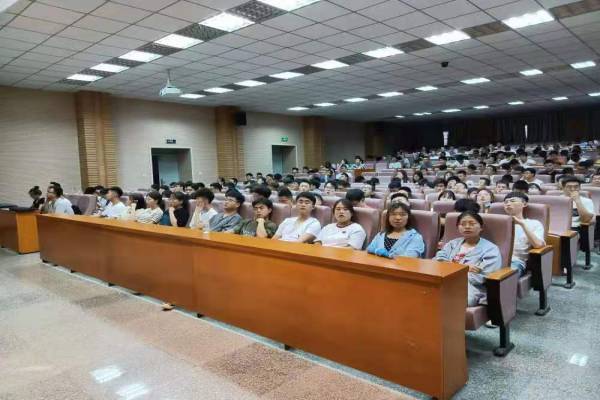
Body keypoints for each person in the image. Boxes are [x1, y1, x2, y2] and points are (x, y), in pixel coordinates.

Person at [435, 211, 502, 306]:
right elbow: (439, 260)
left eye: (472, 223)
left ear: (481, 227)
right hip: (443, 280)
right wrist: (464, 268)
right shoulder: (452, 244)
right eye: (463, 224)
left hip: (471, 287)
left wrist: (451, 270)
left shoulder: (491, 249)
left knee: (448, 300)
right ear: (458, 227)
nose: (467, 227)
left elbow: (484, 275)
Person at [503, 192, 546, 275]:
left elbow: (538, 245)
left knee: (502, 276)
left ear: (524, 204)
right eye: (506, 202)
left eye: (512, 201)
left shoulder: (534, 223)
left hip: (516, 261)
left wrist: (522, 224)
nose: (508, 204)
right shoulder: (499, 223)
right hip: (495, 259)